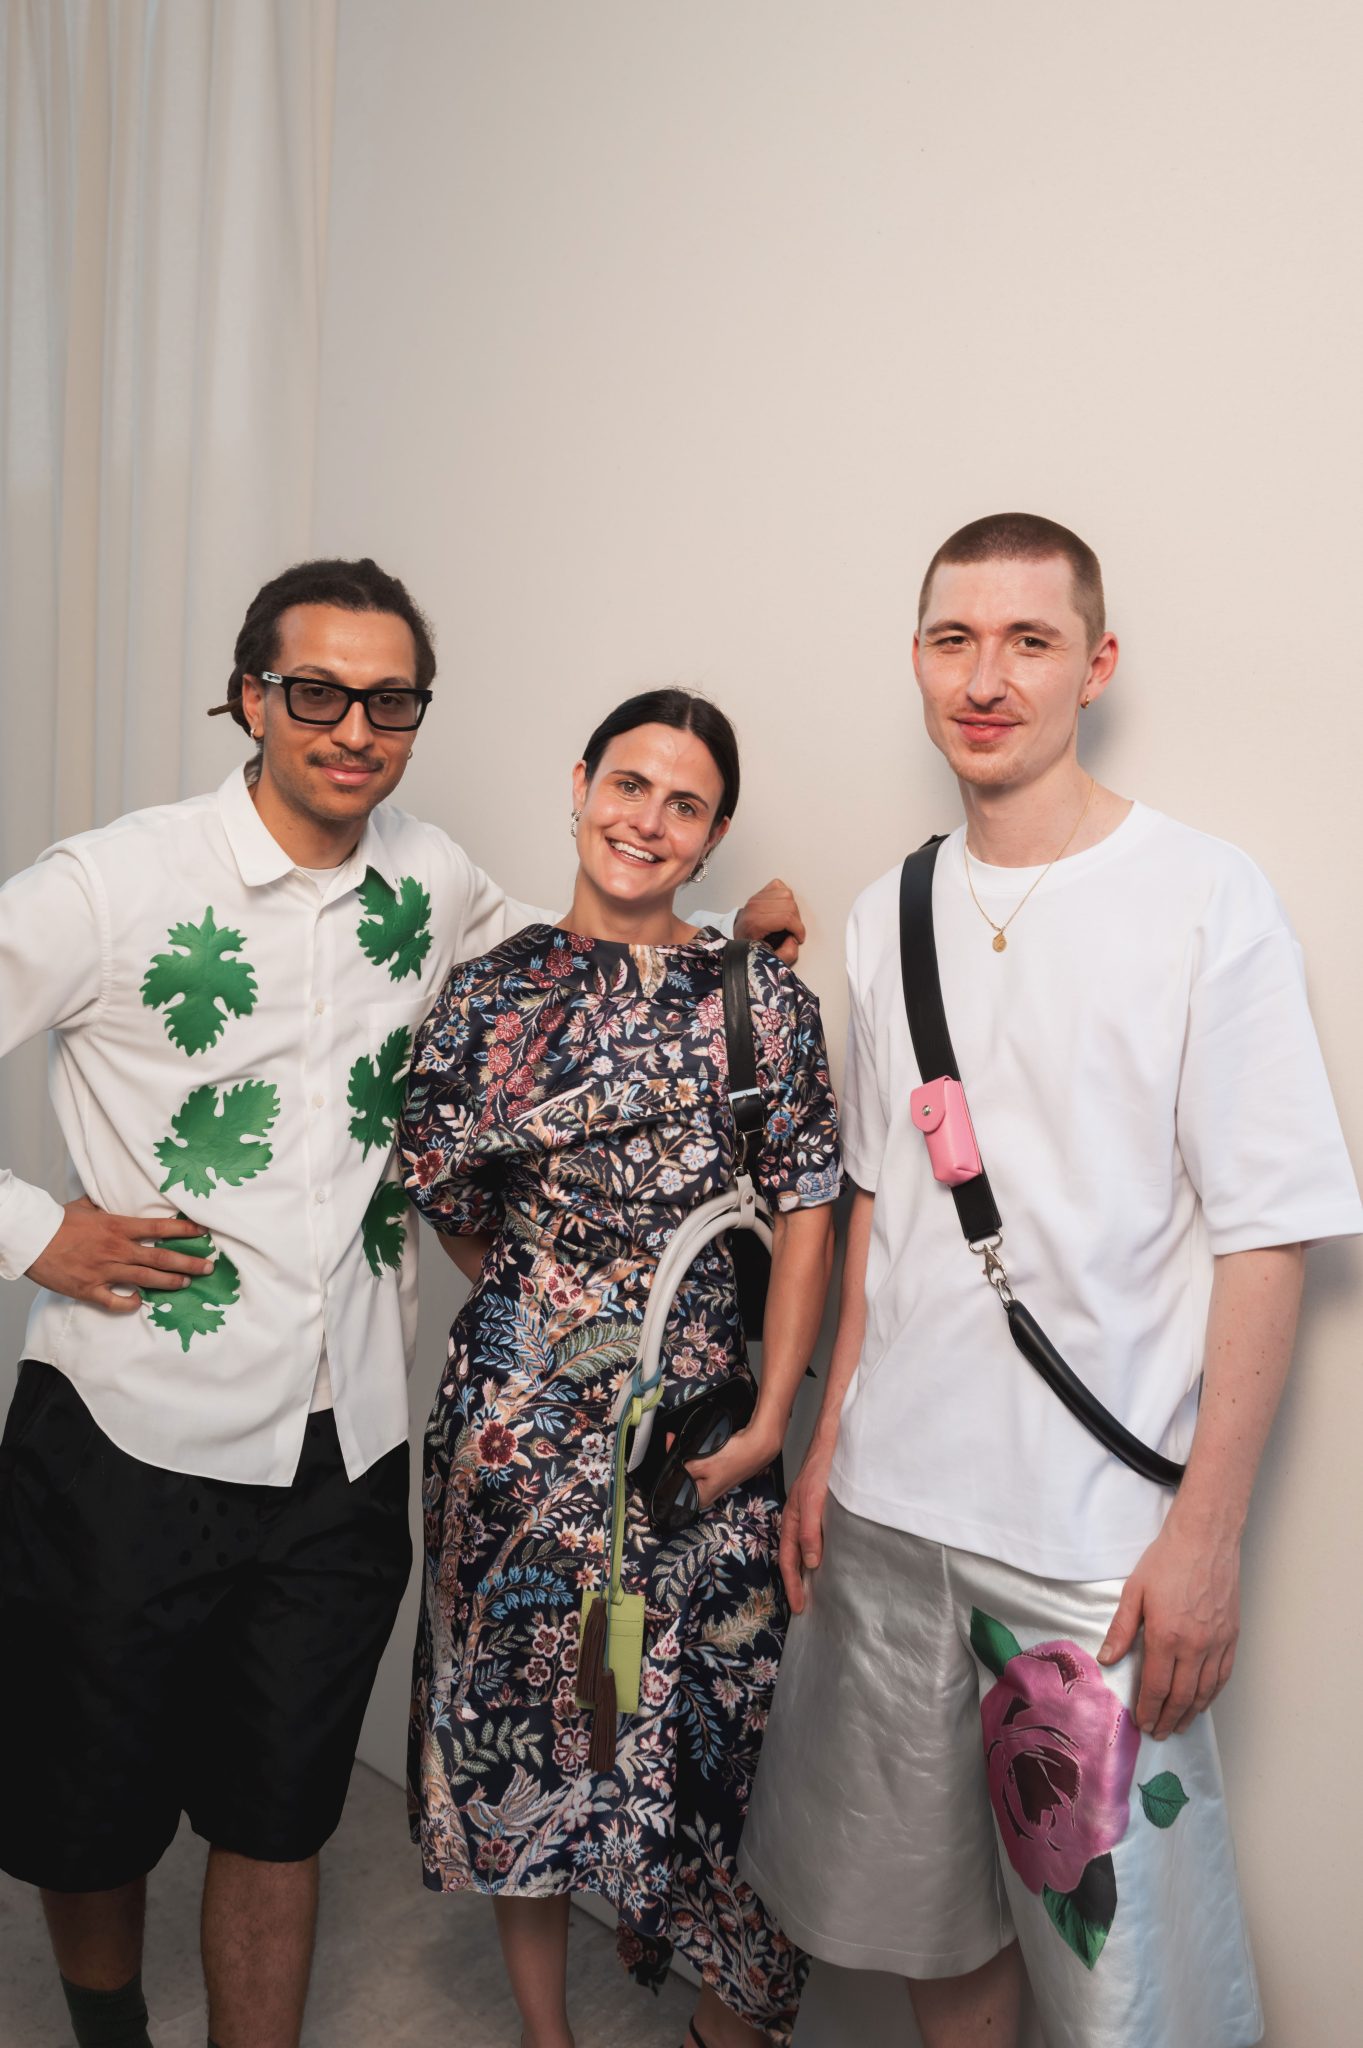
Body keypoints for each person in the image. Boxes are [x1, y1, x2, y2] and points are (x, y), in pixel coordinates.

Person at [0, 560, 804, 2048]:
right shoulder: (116, 881)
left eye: (390, 699)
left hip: (346, 1447)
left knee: (283, 1805)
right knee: (88, 1809)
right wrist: (35, 1230)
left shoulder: (429, 883)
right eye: (316, 691)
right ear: (252, 697)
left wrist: (730, 943)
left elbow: (588, 951)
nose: (352, 726)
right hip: (127, 1430)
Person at [738, 513, 1363, 2048]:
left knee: (1122, 1982)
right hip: (888, 1514)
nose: (988, 675)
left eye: (1029, 640)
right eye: (955, 639)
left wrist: (1206, 1533)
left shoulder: (1207, 896)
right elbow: (886, 1196)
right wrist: (829, 1444)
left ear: (1097, 662)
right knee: (922, 1925)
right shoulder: (891, 914)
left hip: (1086, 1547)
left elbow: (1264, 1232)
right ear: (918, 662)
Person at [396, 688, 840, 2048]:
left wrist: (769, 1415)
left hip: (707, 1457)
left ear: (710, 835)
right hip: (522, 1458)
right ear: (581, 782)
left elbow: (811, 1203)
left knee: (722, 1740)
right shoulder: (488, 996)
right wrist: (563, 1335)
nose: (646, 819)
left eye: (684, 802)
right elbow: (454, 1199)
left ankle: (727, 2024)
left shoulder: (761, 1001)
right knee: (530, 1742)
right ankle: (550, 2034)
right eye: (629, 784)